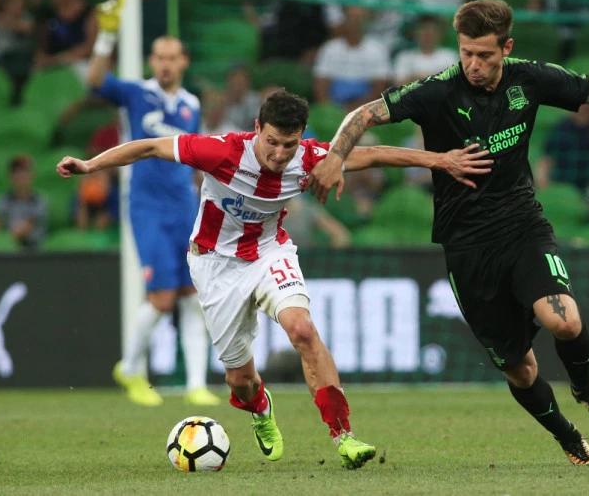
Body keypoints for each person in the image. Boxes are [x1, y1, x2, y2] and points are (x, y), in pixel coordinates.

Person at [308, 0, 589, 465]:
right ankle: (569, 438)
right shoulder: (438, 91)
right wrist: (336, 156)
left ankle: (586, 389)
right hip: (466, 245)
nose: (473, 64)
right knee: (520, 368)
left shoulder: (530, 78)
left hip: (522, 225)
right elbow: (363, 114)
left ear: (506, 48)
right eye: (466, 53)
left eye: (484, 55)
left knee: (565, 321)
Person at [55, 89, 491, 469]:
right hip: (215, 264)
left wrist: (441, 160)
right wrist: (90, 165)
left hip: (269, 252)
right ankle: (261, 409)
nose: (280, 154)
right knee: (240, 382)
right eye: (272, 142)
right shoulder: (221, 151)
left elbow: (376, 154)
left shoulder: (310, 158)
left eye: (289, 144)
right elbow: (149, 146)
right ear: (256, 129)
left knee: (302, 329)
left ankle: (344, 436)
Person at [86, 0, 219, 406]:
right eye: (159, 57)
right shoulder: (136, 93)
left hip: (185, 205)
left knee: (192, 295)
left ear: (183, 61)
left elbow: (193, 158)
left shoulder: (191, 104)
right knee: (161, 298)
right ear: (151, 61)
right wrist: (106, 36)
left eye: (171, 58)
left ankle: (196, 385)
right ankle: (129, 369)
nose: (165, 64)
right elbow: (95, 80)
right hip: (147, 207)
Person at [0, 154, 47, 249]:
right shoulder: (5, 199)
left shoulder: (38, 200)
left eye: (24, 171)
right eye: (17, 172)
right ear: (10, 176)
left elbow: (26, 229)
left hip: (33, 248)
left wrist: (6, 239)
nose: (21, 176)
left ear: (32, 175)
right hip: (10, 247)